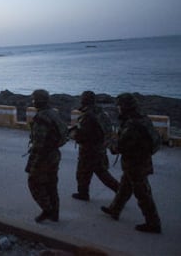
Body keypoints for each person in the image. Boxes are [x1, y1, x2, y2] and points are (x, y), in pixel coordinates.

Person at [101, 93, 161, 233]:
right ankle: (114, 209)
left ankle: (153, 223)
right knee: (125, 187)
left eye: (120, 106)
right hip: (140, 161)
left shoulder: (132, 125)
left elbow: (119, 147)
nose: (118, 108)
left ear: (125, 107)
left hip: (136, 164)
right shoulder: (142, 118)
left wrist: (110, 143)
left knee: (142, 194)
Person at [25, 89, 68, 223]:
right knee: (51, 185)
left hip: (44, 157)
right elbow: (64, 134)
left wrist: (32, 163)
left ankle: (47, 210)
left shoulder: (42, 118)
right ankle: (55, 213)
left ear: (39, 101)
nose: (33, 102)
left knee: (34, 183)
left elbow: (39, 144)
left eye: (34, 99)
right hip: (54, 154)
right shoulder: (53, 114)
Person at [69, 91, 119, 201]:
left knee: (83, 173)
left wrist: (73, 134)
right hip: (99, 147)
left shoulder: (88, 116)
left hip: (89, 149)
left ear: (84, 100)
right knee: (100, 172)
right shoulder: (100, 112)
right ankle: (119, 190)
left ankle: (84, 194)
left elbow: (84, 135)